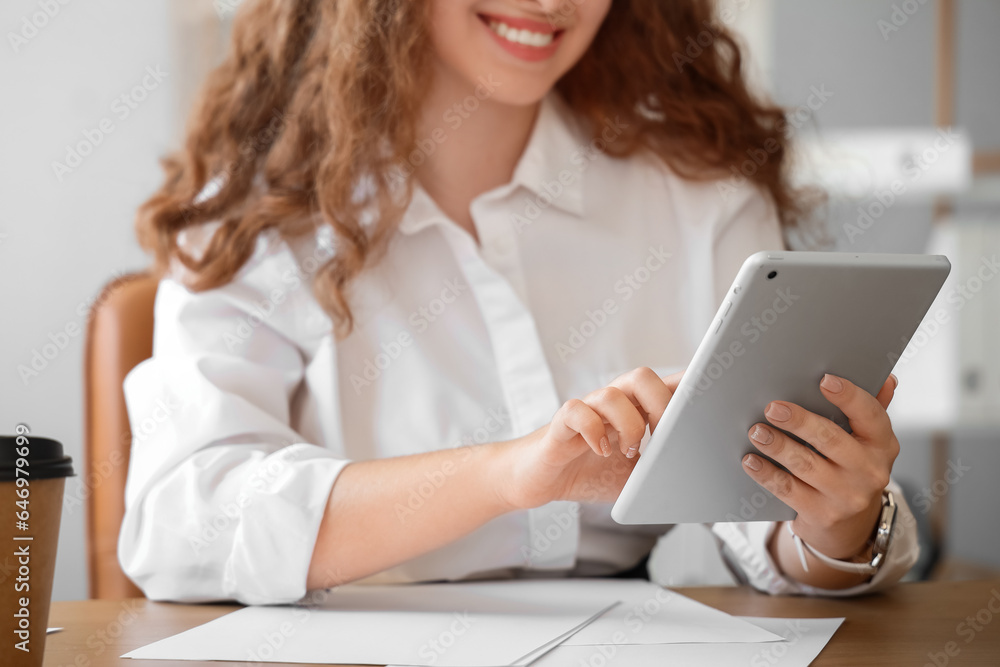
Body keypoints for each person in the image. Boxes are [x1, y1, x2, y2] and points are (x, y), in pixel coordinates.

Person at [119, 0, 919, 605]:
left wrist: (837, 522)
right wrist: (506, 475)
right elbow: (179, 520)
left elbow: (758, 515)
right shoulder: (261, 213)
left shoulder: (702, 198)